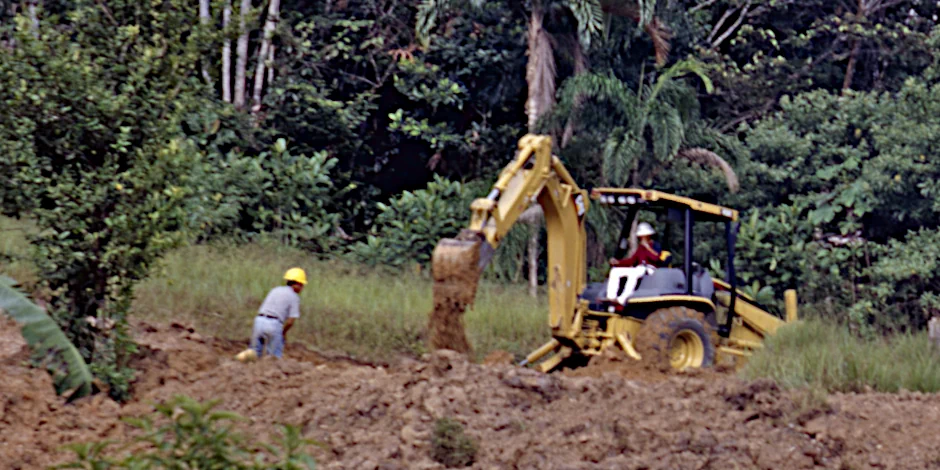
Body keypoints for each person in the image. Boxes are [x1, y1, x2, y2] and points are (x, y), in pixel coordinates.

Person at [250, 267, 307, 359]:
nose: (302, 288)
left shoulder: (275, 290)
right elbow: (290, 321)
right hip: (274, 324)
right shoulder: (294, 297)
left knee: (253, 354)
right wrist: (283, 333)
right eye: (302, 285)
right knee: (274, 357)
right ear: (298, 284)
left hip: (259, 321)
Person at [605, 222, 663, 305]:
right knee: (615, 271)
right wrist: (618, 262)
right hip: (639, 268)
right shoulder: (640, 247)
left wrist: (647, 247)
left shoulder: (655, 245)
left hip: (650, 269)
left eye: (644, 235)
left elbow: (656, 258)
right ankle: (611, 297)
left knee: (634, 273)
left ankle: (622, 299)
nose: (642, 238)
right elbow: (632, 261)